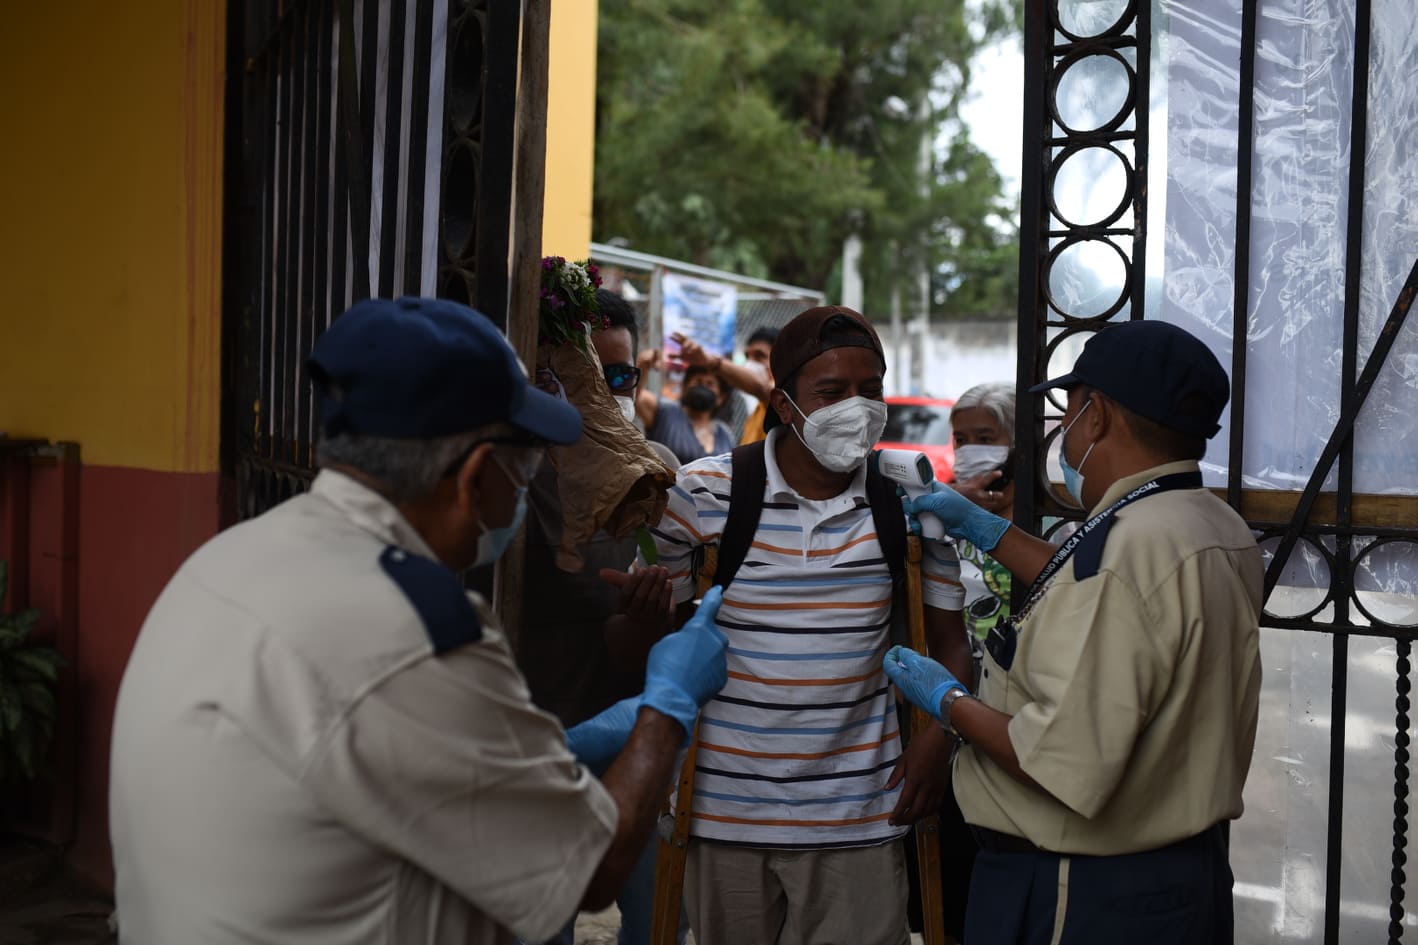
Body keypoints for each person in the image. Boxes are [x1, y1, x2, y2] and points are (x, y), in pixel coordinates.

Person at [108, 296, 729, 945]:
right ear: (475, 477)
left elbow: (358, 748)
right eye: (524, 468)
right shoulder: (414, 634)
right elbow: (589, 870)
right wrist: (668, 704)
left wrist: (581, 741)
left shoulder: (225, 559)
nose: (525, 487)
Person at [885, 320, 1263, 945]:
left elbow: (1057, 763)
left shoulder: (1129, 547)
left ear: (1098, 416)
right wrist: (984, 526)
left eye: (1068, 410)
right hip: (1178, 871)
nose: (1064, 430)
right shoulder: (1206, 521)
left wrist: (948, 702)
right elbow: (1102, 583)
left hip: (1084, 889)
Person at [644, 305, 971, 945]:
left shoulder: (907, 502)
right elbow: (660, 644)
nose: (858, 406)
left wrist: (938, 740)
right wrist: (641, 605)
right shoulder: (703, 494)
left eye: (869, 390)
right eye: (832, 392)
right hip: (723, 812)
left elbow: (953, 645)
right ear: (784, 400)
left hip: (861, 817)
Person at [521, 288, 687, 945]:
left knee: (655, 921)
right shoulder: (511, 478)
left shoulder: (660, 478)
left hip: (629, 746)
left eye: (618, 375)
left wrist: (647, 618)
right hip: (530, 741)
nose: (602, 390)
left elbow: (638, 643)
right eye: (579, 375)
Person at [948, 382, 1017, 643]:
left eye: (985, 439)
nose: (968, 450)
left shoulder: (1050, 525)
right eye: (961, 440)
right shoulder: (942, 515)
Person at [670, 327, 779, 445]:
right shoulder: (758, 411)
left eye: (760, 356)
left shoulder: (781, 401)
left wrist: (709, 361)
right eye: (747, 356)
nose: (750, 363)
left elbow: (762, 389)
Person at [637, 361, 735, 464]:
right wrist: (643, 365)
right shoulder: (666, 412)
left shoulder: (724, 435)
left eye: (710, 384)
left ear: (721, 397)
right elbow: (636, 397)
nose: (703, 387)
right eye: (698, 382)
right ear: (685, 387)